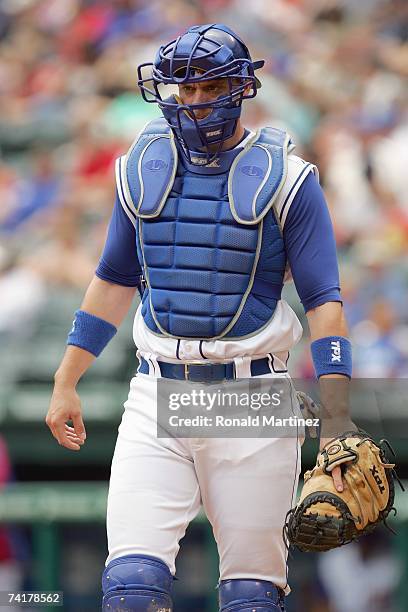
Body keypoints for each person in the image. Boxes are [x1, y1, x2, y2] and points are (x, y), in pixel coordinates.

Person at [45, 24, 354, 612]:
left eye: (206, 88)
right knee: (132, 587)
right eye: (180, 90)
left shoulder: (288, 177)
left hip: (251, 393)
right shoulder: (142, 166)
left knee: (251, 595)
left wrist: (337, 415)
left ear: (239, 90)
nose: (191, 103)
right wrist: (67, 378)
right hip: (156, 388)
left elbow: (325, 304)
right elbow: (113, 280)